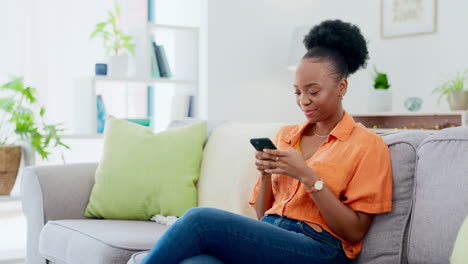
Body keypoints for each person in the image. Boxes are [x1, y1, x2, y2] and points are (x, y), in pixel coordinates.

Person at [140, 19, 392, 264]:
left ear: (342, 87)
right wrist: (265, 175)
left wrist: (307, 175)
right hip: (272, 235)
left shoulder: (367, 145)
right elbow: (263, 215)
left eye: (313, 91)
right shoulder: (287, 136)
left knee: (198, 220)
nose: (303, 100)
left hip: (320, 247)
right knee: (197, 261)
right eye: (297, 92)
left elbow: (354, 231)